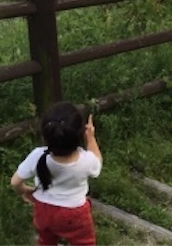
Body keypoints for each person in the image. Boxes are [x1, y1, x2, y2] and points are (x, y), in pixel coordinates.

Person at [11, 101, 103, 246]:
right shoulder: (86, 161)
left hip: (43, 209)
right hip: (74, 213)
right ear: (79, 136)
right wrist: (90, 138)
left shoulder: (38, 155)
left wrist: (25, 191)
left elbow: (15, 182)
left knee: (45, 241)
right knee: (84, 242)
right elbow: (97, 162)